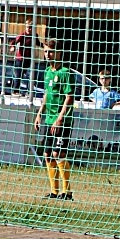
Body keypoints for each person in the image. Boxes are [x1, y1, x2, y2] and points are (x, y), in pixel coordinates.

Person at [35, 45, 75, 201]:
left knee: (58, 154)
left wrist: (60, 118)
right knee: (47, 154)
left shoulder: (65, 73)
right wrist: (39, 114)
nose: (47, 54)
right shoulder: (47, 72)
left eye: (50, 51)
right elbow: (47, 95)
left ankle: (67, 192)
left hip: (62, 121)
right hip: (49, 119)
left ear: (59, 52)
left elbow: (69, 97)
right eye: (45, 51)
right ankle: (54, 191)